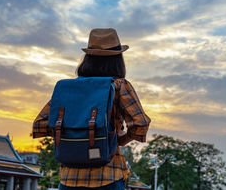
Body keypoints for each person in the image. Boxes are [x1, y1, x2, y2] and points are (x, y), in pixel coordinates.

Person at [32, 28, 151, 190]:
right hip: (107, 175)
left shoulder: (68, 88)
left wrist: (74, 133)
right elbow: (140, 124)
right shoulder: (118, 85)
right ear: (118, 60)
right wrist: (119, 138)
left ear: (87, 58)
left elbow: (40, 124)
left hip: (69, 178)